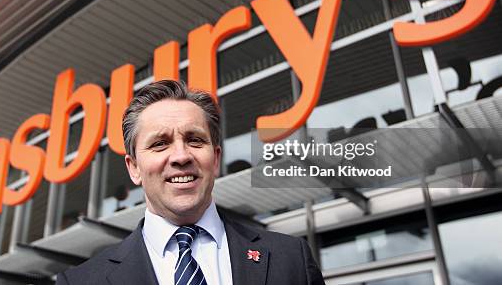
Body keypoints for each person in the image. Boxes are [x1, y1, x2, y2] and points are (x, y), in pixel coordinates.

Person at [56, 80, 325, 284]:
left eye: (195, 140)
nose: (181, 156)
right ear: (134, 168)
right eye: (160, 144)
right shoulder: (81, 281)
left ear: (216, 158)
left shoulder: (290, 258)